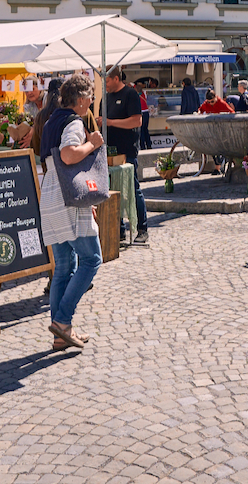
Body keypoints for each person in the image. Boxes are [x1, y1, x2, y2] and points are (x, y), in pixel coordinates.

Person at [40, 75, 104, 349]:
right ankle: (62, 321)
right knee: (92, 260)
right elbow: (68, 155)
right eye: (90, 97)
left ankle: (60, 335)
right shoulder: (74, 122)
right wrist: (93, 143)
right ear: (80, 100)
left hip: (51, 195)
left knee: (64, 268)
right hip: (69, 199)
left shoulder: (51, 119)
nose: (91, 102)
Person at [102, 68, 149, 245]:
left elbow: (137, 121)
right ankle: (119, 230)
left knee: (132, 189)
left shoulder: (130, 94)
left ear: (116, 78)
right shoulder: (105, 98)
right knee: (113, 190)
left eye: (106, 81)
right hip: (109, 152)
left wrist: (111, 122)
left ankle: (142, 229)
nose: (104, 85)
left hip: (127, 150)